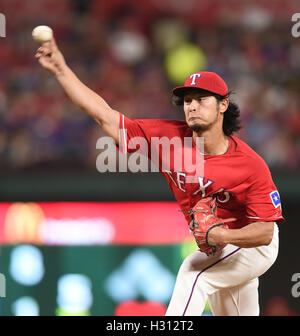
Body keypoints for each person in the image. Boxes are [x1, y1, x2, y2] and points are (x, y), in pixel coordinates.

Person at [35, 36, 285, 316]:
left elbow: (264, 232)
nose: (191, 106)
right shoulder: (168, 138)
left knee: (194, 273)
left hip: (253, 247)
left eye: (201, 99)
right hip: (221, 249)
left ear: (223, 105)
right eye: (187, 100)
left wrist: (220, 234)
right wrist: (60, 70)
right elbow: (105, 117)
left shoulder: (250, 164)